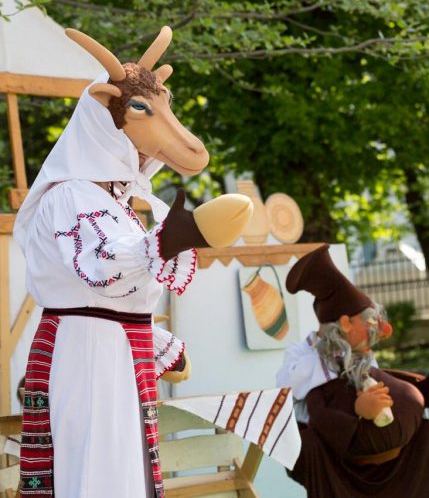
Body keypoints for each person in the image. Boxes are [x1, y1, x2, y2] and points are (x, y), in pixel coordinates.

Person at [13, 27, 251, 498]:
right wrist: (176, 237)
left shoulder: (110, 201)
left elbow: (108, 295)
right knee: (101, 468)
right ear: (107, 119)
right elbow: (102, 269)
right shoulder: (71, 195)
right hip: (89, 354)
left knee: (122, 464)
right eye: (141, 111)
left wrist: (157, 344)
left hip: (111, 350)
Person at [276, 244, 429, 498]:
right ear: (345, 323)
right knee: (310, 444)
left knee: (428, 431)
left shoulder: (361, 353)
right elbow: (294, 393)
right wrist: (356, 410)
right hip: (337, 460)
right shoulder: (301, 355)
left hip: (386, 457)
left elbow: (383, 383)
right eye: (370, 321)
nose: (380, 330)